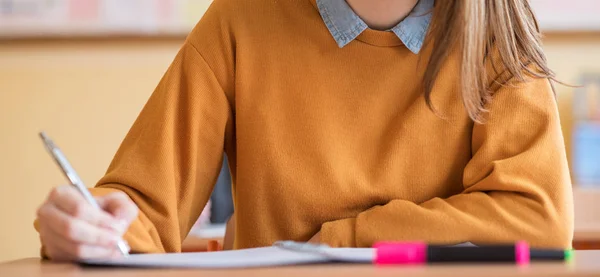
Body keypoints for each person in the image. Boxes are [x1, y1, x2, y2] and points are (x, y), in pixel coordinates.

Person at [34, 0, 574, 261]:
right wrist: (90, 227)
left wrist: (350, 239)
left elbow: (539, 219)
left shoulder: (496, 32)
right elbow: (141, 209)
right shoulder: (241, 21)